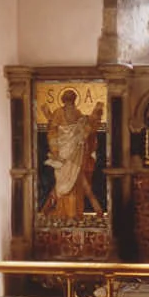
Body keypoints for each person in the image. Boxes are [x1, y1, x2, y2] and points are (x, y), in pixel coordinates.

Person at [39, 89, 105, 219]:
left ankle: (66, 213)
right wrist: (56, 151)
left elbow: (83, 131)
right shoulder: (69, 113)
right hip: (67, 155)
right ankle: (53, 212)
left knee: (70, 182)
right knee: (67, 182)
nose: (70, 103)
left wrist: (95, 115)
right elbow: (84, 130)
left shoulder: (72, 113)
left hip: (71, 154)